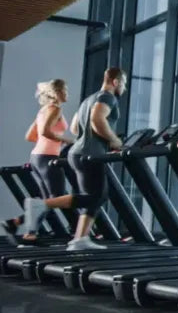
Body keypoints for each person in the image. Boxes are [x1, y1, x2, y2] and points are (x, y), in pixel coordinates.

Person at [23, 68, 129, 251]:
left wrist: (94, 138)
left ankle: (80, 239)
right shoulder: (108, 97)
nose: (124, 88)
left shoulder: (89, 99)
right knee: (94, 196)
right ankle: (41, 205)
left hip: (78, 152)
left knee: (96, 196)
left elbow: (74, 127)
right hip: (89, 154)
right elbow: (97, 120)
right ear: (116, 82)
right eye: (124, 83)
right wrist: (114, 140)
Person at [3, 80, 76, 246]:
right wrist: (67, 140)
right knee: (57, 197)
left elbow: (31, 136)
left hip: (36, 157)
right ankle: (78, 231)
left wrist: (52, 140)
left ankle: (21, 228)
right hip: (47, 158)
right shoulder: (55, 109)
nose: (67, 94)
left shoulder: (43, 110)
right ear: (57, 92)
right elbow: (44, 132)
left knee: (46, 199)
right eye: (65, 90)